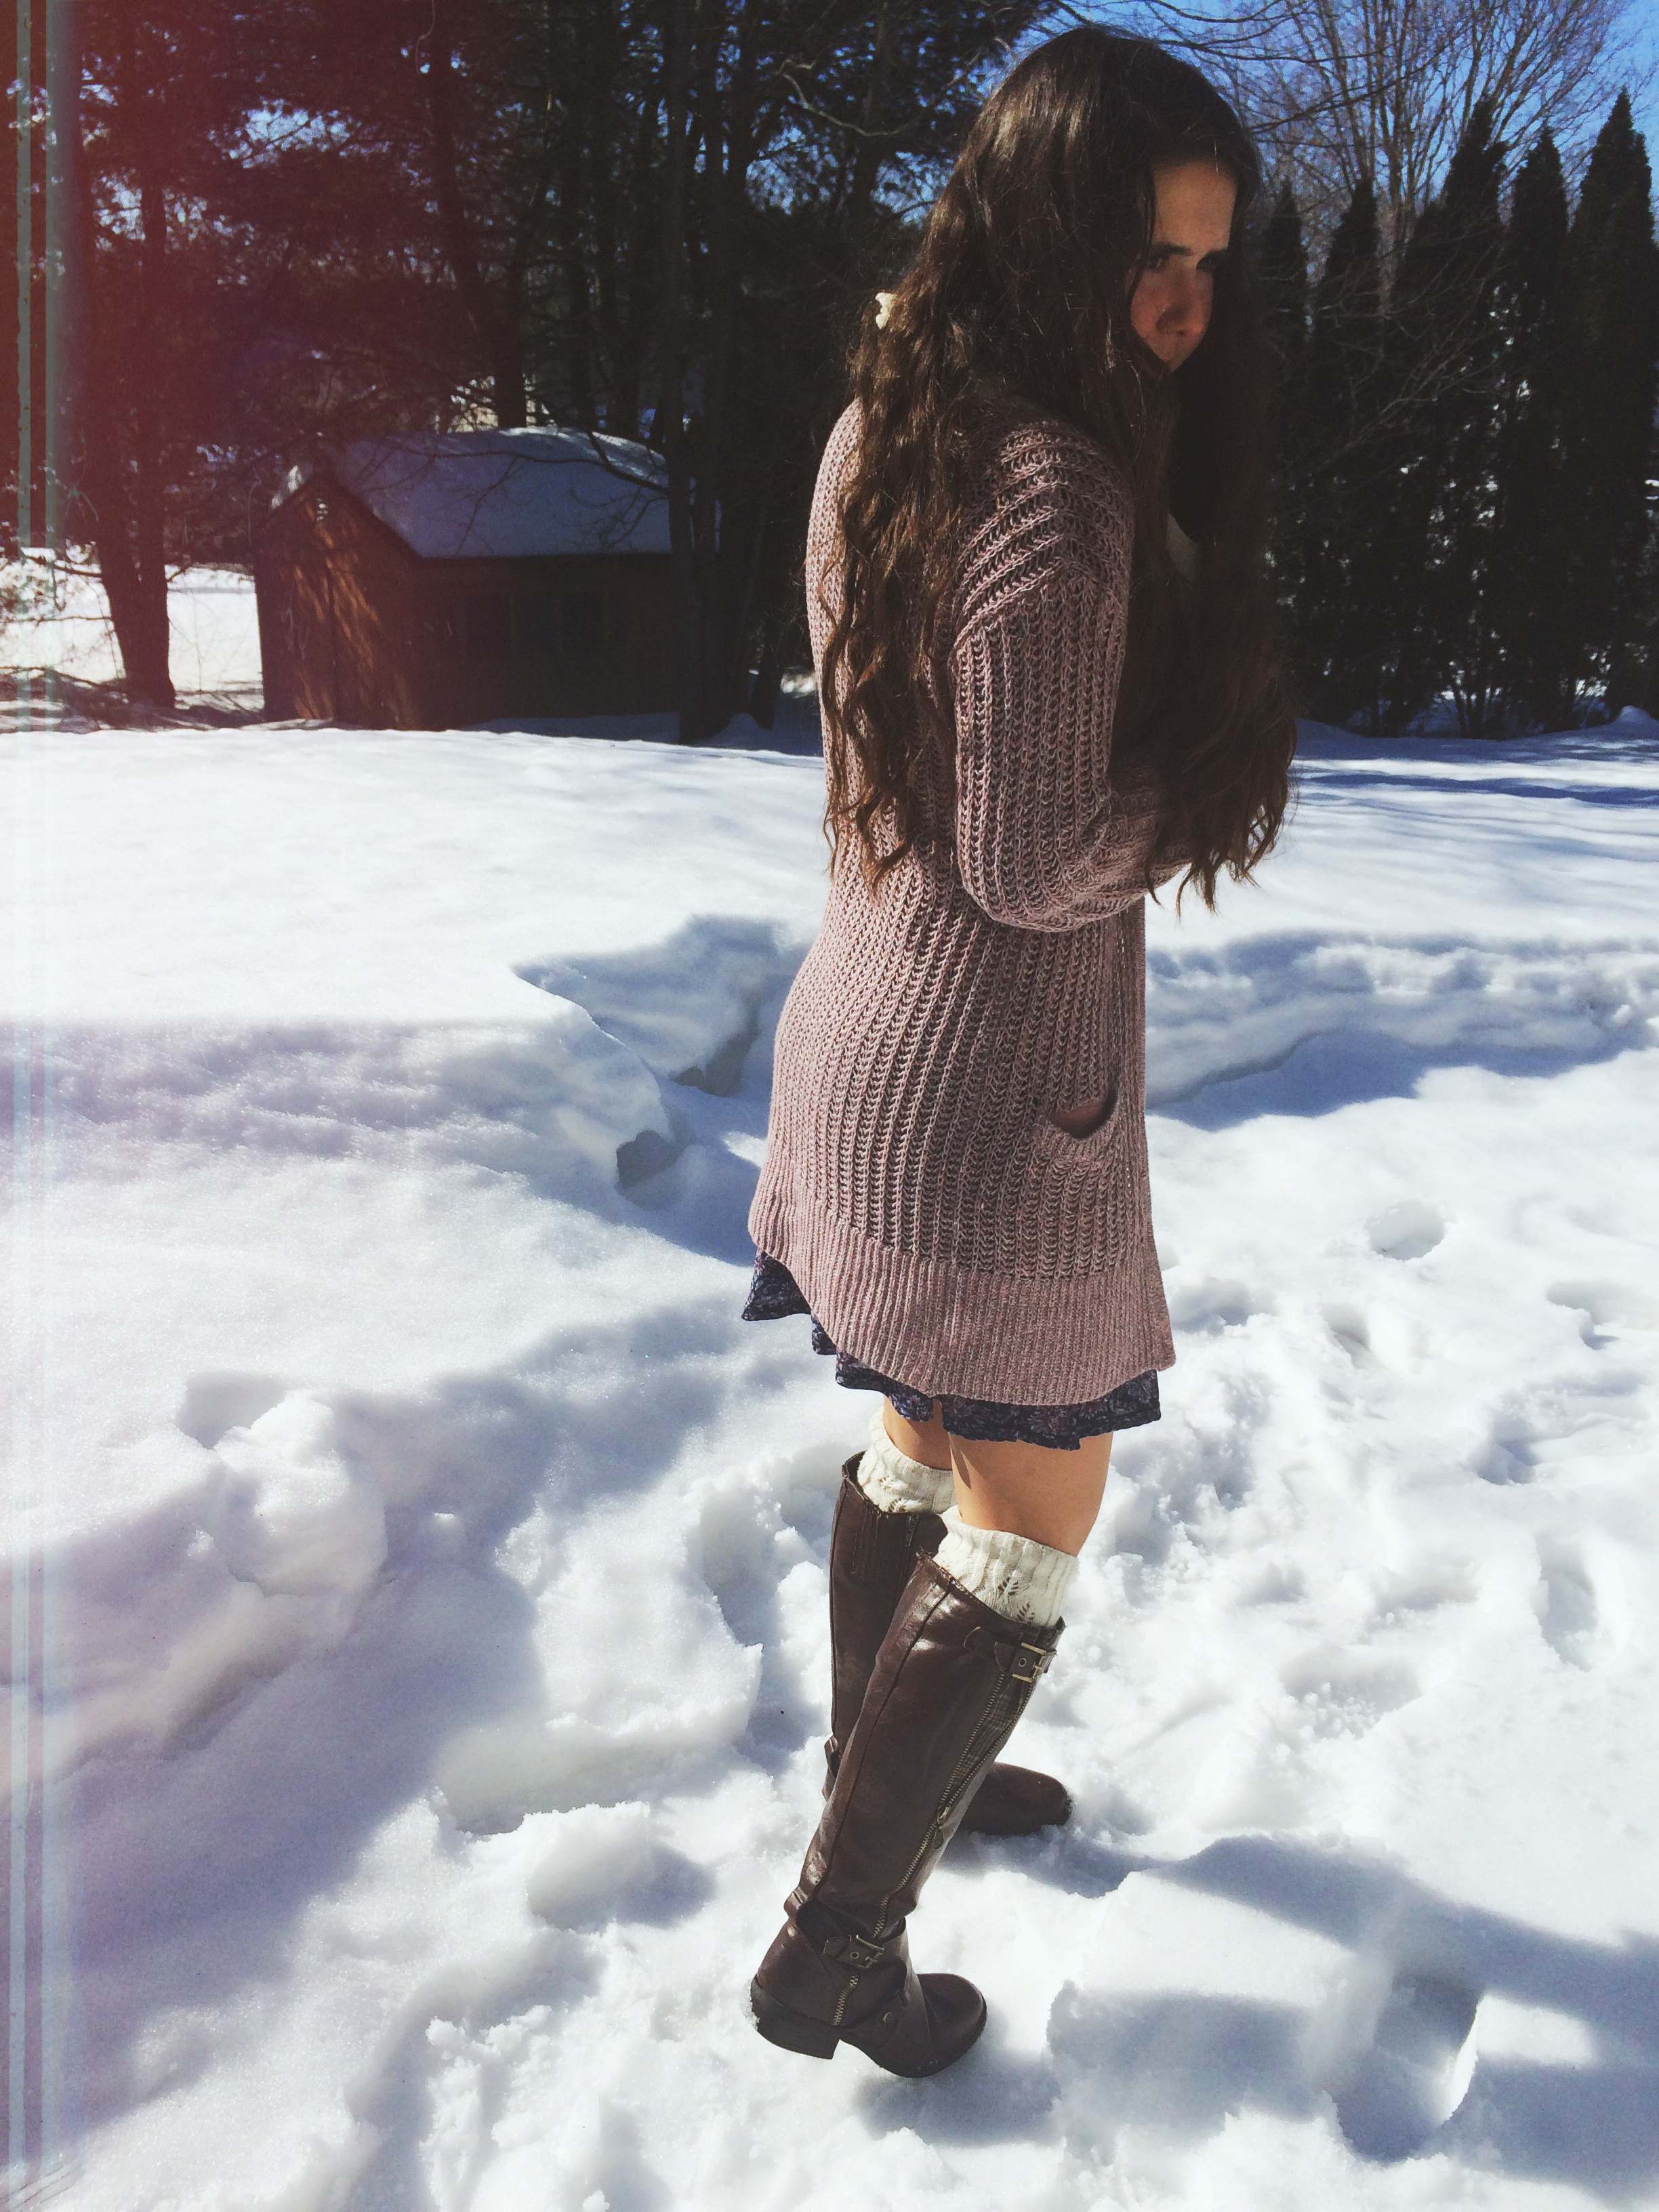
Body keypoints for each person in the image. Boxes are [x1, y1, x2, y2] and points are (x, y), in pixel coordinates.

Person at [741, 26, 1294, 2077]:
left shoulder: (887, 419)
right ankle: (839, 1949)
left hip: (864, 1056)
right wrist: (1217, 778)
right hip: (987, 1107)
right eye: (1155, 257)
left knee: (921, 1431)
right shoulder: (1054, 487)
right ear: (1053, 236)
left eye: (1212, 263)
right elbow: (1040, 851)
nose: (1189, 305)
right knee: (1033, 1508)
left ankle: (877, 1778)